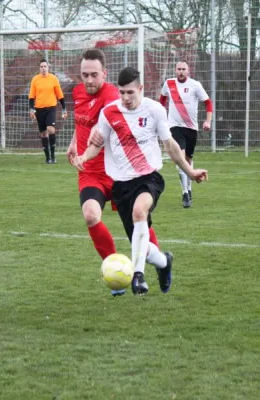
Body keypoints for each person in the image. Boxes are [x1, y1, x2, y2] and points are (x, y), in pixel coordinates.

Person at [73, 67, 208, 295]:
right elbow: (97, 144)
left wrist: (190, 171)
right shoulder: (109, 113)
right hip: (121, 185)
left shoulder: (154, 110)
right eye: (122, 93)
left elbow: (171, 146)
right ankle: (164, 263)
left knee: (139, 212)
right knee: (145, 249)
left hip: (149, 179)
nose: (125, 98)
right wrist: (84, 156)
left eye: (130, 93)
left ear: (141, 89)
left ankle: (138, 276)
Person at [67, 49, 160, 297]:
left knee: (137, 225)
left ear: (104, 73)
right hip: (90, 172)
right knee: (90, 215)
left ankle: (157, 261)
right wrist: (75, 141)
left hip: (119, 173)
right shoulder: (77, 93)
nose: (88, 80)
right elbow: (82, 121)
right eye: (84, 75)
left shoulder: (113, 96)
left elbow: (112, 124)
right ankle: (115, 269)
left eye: (94, 75)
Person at [159, 60, 213, 208]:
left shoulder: (195, 85)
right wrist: (161, 115)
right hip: (174, 127)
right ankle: (184, 193)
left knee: (188, 160)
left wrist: (208, 121)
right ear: (175, 70)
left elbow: (208, 103)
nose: (181, 72)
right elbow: (162, 99)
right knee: (180, 158)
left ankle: (189, 189)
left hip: (191, 128)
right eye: (179, 69)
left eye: (184, 69)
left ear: (188, 71)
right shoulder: (169, 83)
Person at [29, 58, 68, 164]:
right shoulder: (35, 79)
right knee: (43, 133)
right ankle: (48, 157)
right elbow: (32, 96)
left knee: (50, 129)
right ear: (39, 68)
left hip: (51, 108)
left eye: (45, 66)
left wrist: (64, 109)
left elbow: (60, 95)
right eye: (41, 67)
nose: (43, 68)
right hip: (39, 109)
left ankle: (53, 156)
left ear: (48, 67)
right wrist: (31, 109)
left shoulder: (53, 79)